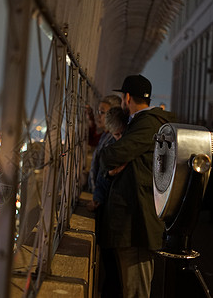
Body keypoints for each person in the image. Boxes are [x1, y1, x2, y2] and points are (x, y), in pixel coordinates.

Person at [99, 74, 176, 297]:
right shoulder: (142, 124)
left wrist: (110, 160)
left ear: (128, 97)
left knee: (136, 290)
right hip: (133, 222)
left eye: (123, 97)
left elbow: (111, 155)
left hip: (138, 223)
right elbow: (114, 162)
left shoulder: (147, 124)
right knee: (131, 287)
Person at [94, 106, 128, 298]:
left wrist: (98, 197)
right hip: (112, 211)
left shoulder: (116, 146)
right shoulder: (122, 142)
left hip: (112, 212)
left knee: (113, 271)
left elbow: (101, 174)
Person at [88, 96, 122, 196]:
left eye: (102, 113)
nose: (98, 117)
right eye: (98, 112)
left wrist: (98, 197)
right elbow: (92, 141)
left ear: (113, 115)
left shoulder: (113, 140)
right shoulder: (105, 135)